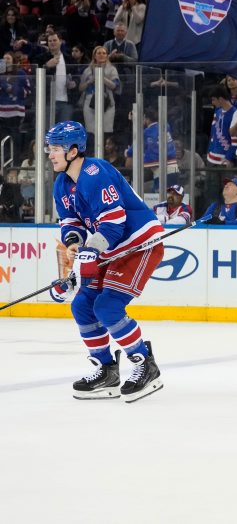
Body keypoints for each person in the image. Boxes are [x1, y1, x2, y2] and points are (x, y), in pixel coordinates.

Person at [45, 121, 165, 402]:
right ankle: (106, 369)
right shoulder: (62, 183)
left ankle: (145, 365)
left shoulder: (95, 172)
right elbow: (71, 223)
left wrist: (90, 251)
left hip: (138, 244)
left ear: (73, 151)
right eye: (49, 149)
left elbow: (114, 222)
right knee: (83, 305)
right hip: (110, 250)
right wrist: (76, 247)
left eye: (55, 149)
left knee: (108, 306)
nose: (50, 154)